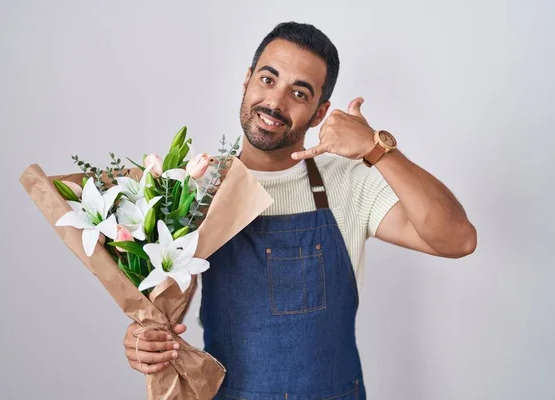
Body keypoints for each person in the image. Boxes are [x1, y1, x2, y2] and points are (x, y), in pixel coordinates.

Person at [122, 21, 477, 399]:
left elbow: (458, 239)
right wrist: (145, 340)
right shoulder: (198, 187)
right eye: (268, 79)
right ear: (247, 80)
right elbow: (165, 314)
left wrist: (378, 150)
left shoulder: (349, 181)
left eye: (299, 92)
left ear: (321, 113)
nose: (275, 102)